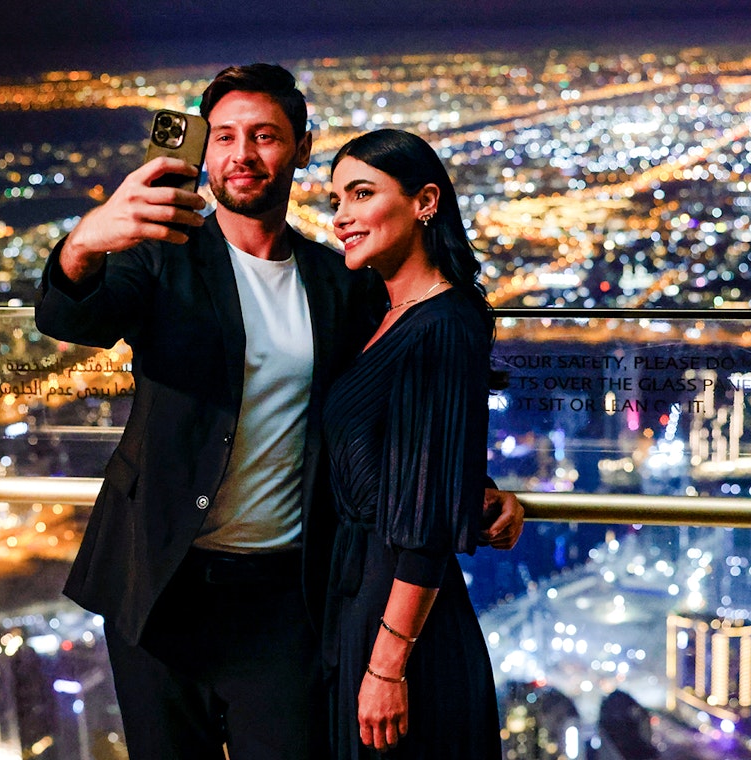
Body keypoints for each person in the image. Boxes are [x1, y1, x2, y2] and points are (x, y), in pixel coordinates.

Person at [34, 64, 522, 760]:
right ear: (203, 151)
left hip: (286, 598)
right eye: (225, 136)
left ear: (299, 147)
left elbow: (390, 406)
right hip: (158, 586)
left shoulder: (339, 280)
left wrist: (472, 485)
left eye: (264, 135)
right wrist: (85, 241)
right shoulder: (161, 259)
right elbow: (66, 318)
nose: (242, 154)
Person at [324, 129, 501, 759]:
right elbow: (409, 450)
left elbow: (423, 527)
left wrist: (387, 665)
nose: (342, 216)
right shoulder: (380, 310)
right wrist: (474, 487)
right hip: (358, 596)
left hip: (399, 617)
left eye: (362, 193)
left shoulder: (446, 325)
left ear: (425, 202)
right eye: (337, 198)